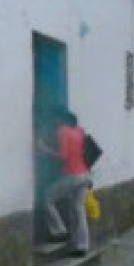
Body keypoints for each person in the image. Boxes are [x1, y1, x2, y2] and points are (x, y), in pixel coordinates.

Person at [39, 107, 94, 255]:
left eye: (56, 119)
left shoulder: (63, 131)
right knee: (78, 209)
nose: (54, 122)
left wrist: (45, 150)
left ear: (61, 119)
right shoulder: (79, 131)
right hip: (85, 175)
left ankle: (59, 231)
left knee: (47, 198)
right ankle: (82, 246)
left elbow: (63, 156)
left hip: (72, 175)